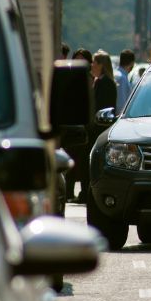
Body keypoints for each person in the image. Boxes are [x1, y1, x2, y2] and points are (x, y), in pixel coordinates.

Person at [65, 47, 93, 202]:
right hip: (71, 125)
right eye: (76, 58)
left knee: (83, 164)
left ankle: (83, 193)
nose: (79, 62)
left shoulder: (90, 78)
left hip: (85, 127)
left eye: (82, 59)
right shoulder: (69, 77)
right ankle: (69, 192)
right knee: (70, 162)